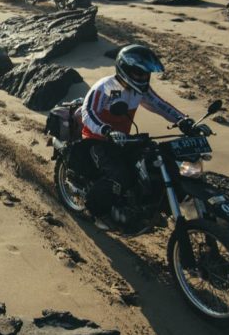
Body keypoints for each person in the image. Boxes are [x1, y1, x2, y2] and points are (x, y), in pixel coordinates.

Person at [79, 44, 208, 234]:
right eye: (138, 73)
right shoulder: (105, 87)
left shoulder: (140, 91)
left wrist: (183, 121)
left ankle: (146, 206)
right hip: (97, 140)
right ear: (125, 69)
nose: (142, 78)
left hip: (124, 140)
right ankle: (96, 211)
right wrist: (105, 130)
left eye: (146, 74)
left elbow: (161, 106)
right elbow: (87, 112)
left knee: (153, 164)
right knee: (119, 175)